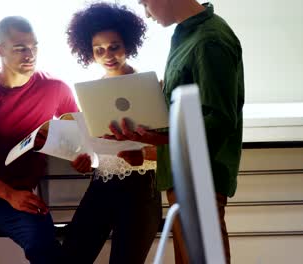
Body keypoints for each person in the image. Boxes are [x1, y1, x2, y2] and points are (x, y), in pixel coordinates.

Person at [0, 16, 92, 264]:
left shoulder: (56, 88)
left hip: (19, 196)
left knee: (46, 249)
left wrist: (80, 158)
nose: (30, 54)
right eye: (20, 48)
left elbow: (77, 139)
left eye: (34, 46)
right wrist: (8, 194)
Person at [109, 1, 244, 263]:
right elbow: (184, 116)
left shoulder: (210, 40)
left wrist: (153, 139)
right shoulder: (185, 35)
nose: (146, 13)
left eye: (145, 3)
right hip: (183, 176)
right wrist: (144, 135)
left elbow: (217, 123)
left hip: (200, 179)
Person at [62, 3, 162, 264]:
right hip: (102, 184)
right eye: (99, 50)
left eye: (114, 46)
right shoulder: (90, 94)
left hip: (141, 187)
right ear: (90, 53)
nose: (108, 55)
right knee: (71, 255)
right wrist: (84, 159)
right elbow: (94, 144)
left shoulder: (151, 87)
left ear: (127, 44)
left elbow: (171, 146)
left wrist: (144, 155)